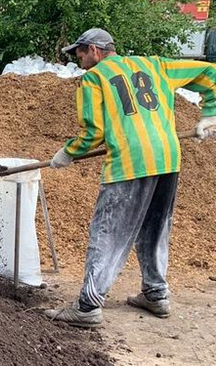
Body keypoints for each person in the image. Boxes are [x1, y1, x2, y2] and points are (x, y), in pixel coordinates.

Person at [43, 28, 216, 328]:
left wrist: (68, 153)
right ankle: (156, 293)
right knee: (155, 228)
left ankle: (87, 306)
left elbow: (94, 132)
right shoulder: (154, 65)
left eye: (80, 52)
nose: (79, 59)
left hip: (129, 161)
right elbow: (209, 72)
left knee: (108, 231)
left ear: (95, 51)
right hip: (166, 158)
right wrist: (210, 114)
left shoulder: (94, 79)